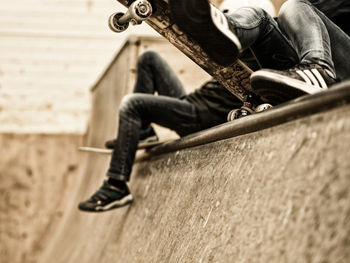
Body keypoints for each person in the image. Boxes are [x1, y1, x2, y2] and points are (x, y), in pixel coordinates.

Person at [78, 51, 242, 212]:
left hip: (198, 117)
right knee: (148, 59)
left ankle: (116, 185)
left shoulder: (259, 54)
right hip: (192, 102)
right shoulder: (238, 46)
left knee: (132, 104)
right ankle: (143, 131)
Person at [168, 0, 350, 104]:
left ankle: (320, 70)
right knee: (261, 17)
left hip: (342, 71)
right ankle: (228, 29)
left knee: (293, 7)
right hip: (303, 70)